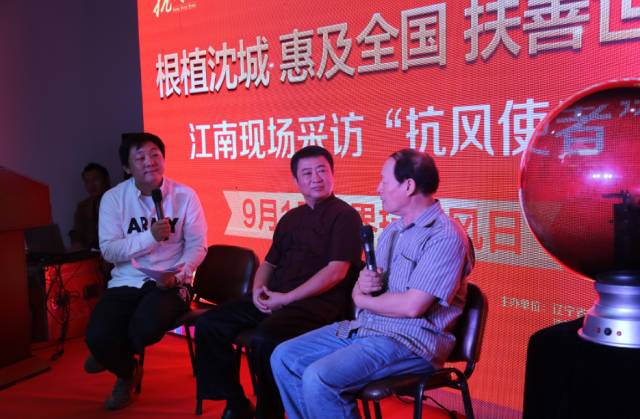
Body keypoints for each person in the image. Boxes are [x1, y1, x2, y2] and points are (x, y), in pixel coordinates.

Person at [270, 149, 475, 419]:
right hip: (369, 328)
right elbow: (363, 285)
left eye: (384, 181)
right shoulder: (392, 230)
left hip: (410, 342)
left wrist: (363, 299)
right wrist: (363, 286)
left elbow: (412, 306)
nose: (378, 188)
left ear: (408, 186)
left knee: (319, 378)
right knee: (284, 356)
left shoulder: (445, 236)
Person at [194, 146, 362, 419]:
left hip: (317, 306)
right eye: (307, 173)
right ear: (296, 181)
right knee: (210, 324)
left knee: (265, 339)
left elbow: (336, 272)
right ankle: (236, 402)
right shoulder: (290, 218)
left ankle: (269, 412)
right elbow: (269, 264)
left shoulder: (345, 216)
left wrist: (286, 299)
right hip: (277, 298)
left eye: (322, 171)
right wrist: (258, 291)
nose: (316, 178)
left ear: (332, 174)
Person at [84, 132, 208, 410]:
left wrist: (180, 274)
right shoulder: (113, 199)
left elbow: (198, 246)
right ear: (127, 168)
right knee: (96, 336)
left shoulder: (185, 196)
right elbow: (109, 250)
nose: (150, 162)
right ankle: (127, 369)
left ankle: (110, 356)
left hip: (172, 282)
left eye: (155, 155)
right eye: (140, 157)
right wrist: (149, 237)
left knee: (146, 326)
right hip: (127, 280)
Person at [69, 162, 111, 250]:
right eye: (87, 181)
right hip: (89, 253)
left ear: (105, 180)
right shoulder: (82, 207)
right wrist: (77, 243)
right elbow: (77, 232)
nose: (91, 185)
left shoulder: (117, 201)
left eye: (95, 179)